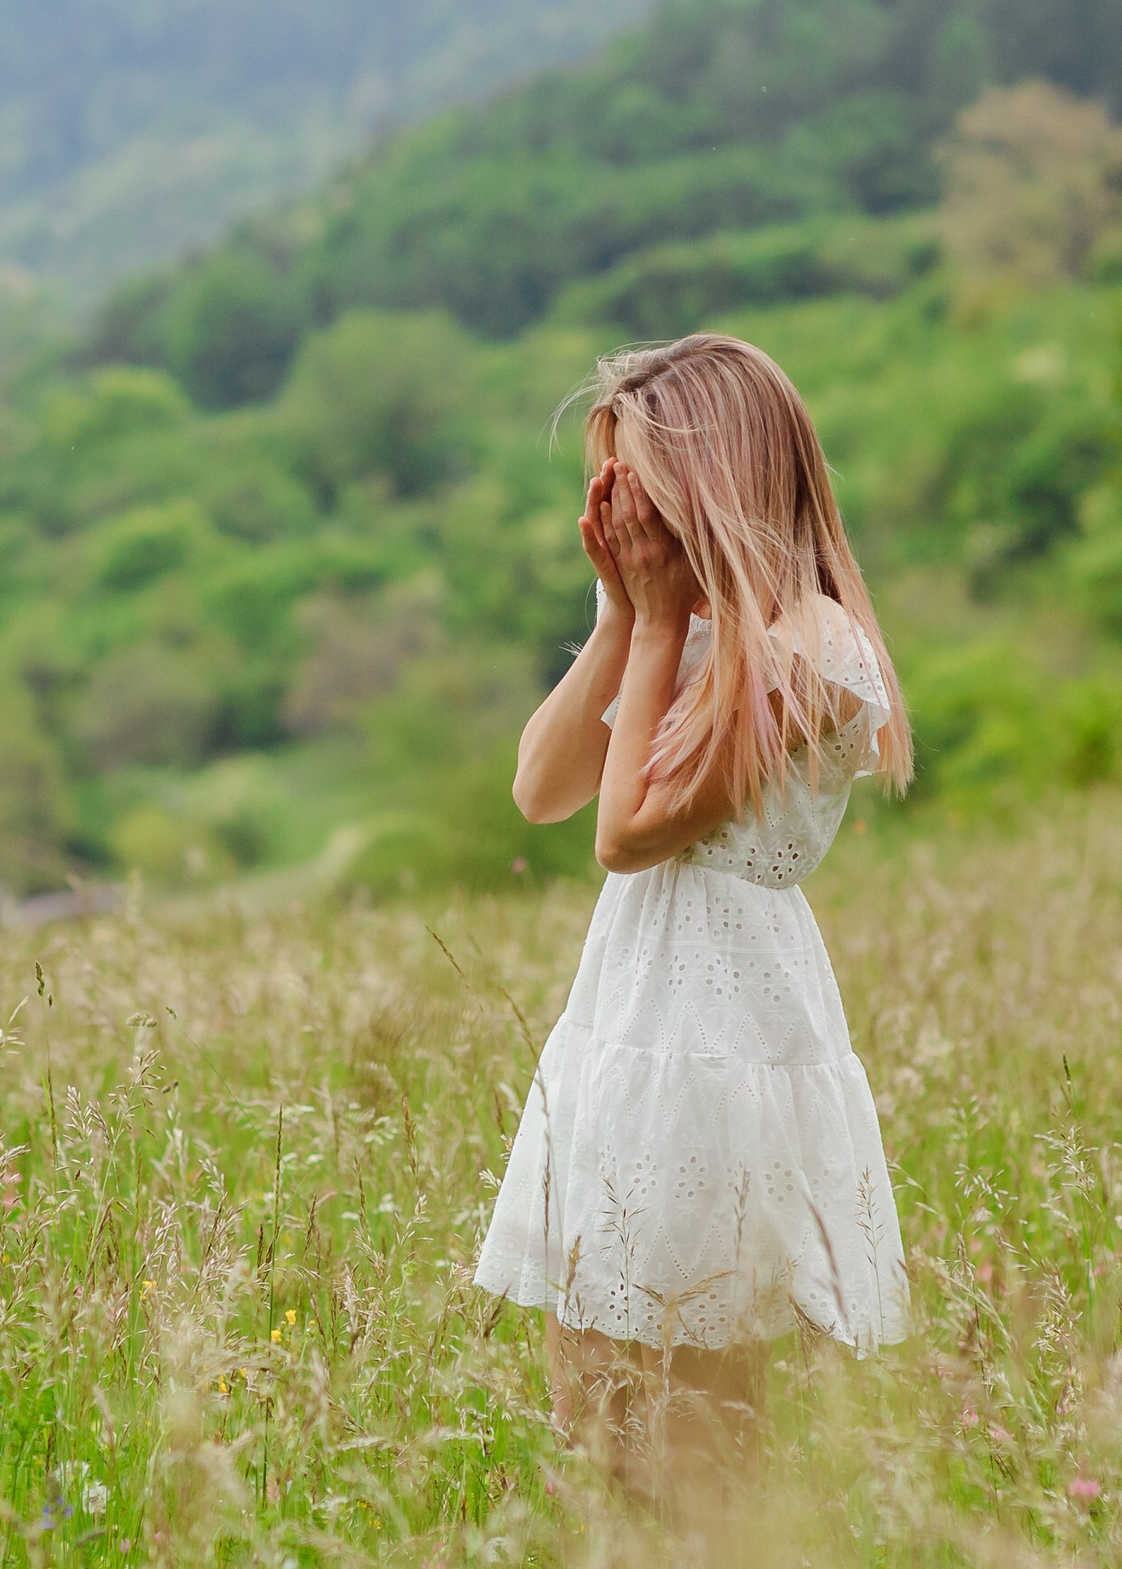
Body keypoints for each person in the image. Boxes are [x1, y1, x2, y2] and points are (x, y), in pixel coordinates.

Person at [474, 332, 913, 1496]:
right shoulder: (668, 624)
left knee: (698, 1412)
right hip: (626, 1017)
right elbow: (542, 789)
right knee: (592, 1403)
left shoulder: (814, 651)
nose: (617, 510)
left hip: (720, 1030)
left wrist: (661, 626)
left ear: (712, 478)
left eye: (635, 481)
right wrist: (624, 618)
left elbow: (627, 834)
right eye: (606, 484)